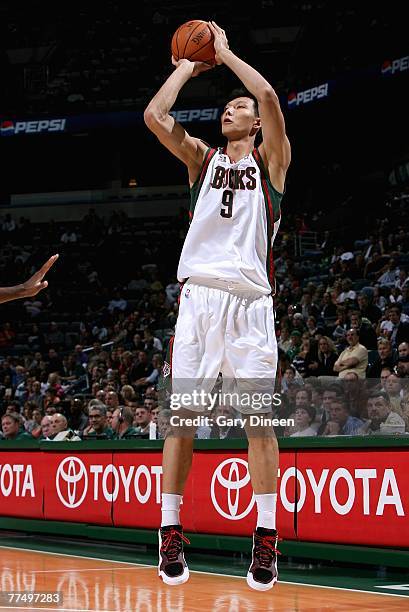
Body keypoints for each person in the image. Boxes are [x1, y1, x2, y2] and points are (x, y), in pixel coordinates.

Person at [144, 20, 290, 591]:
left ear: (255, 123)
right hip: (199, 301)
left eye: (239, 106)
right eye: (227, 106)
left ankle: (266, 537)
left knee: (258, 424)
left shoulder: (271, 164)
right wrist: (186, 65)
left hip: (252, 305)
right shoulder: (201, 161)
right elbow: (155, 118)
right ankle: (170, 529)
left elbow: (270, 97)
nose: (232, 109)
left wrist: (224, 54)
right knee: (183, 422)